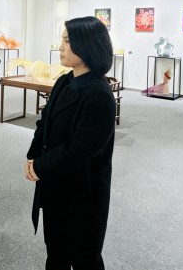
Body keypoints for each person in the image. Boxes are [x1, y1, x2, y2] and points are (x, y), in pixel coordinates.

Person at [24, 16, 115, 270]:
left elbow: (80, 150)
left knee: (84, 257)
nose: (60, 47)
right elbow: (45, 122)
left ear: (86, 45)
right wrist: (33, 157)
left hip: (82, 193)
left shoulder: (99, 95)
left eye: (66, 41)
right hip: (55, 185)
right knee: (56, 252)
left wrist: (40, 166)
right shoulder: (65, 80)